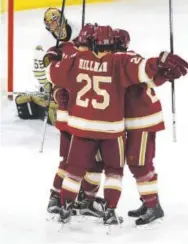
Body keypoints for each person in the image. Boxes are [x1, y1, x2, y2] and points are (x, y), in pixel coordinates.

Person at [44, 24, 188, 226]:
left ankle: (152, 205)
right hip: (114, 125)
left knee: (134, 164)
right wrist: (162, 66)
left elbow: (56, 72)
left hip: (135, 123)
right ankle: (91, 200)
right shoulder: (119, 61)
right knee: (102, 165)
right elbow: (147, 71)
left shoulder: (86, 58)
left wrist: (53, 57)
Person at [47, 23, 105, 217]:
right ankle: (71, 198)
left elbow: (54, 75)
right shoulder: (82, 56)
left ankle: (65, 197)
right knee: (81, 162)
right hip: (78, 121)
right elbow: (56, 80)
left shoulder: (67, 51)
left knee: (74, 162)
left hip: (74, 120)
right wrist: (56, 93)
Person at [15, 7, 79, 125]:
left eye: (57, 21)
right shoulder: (42, 45)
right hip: (58, 77)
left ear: (63, 20)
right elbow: (39, 71)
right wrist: (48, 87)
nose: (56, 27)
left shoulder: (78, 29)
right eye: (51, 24)